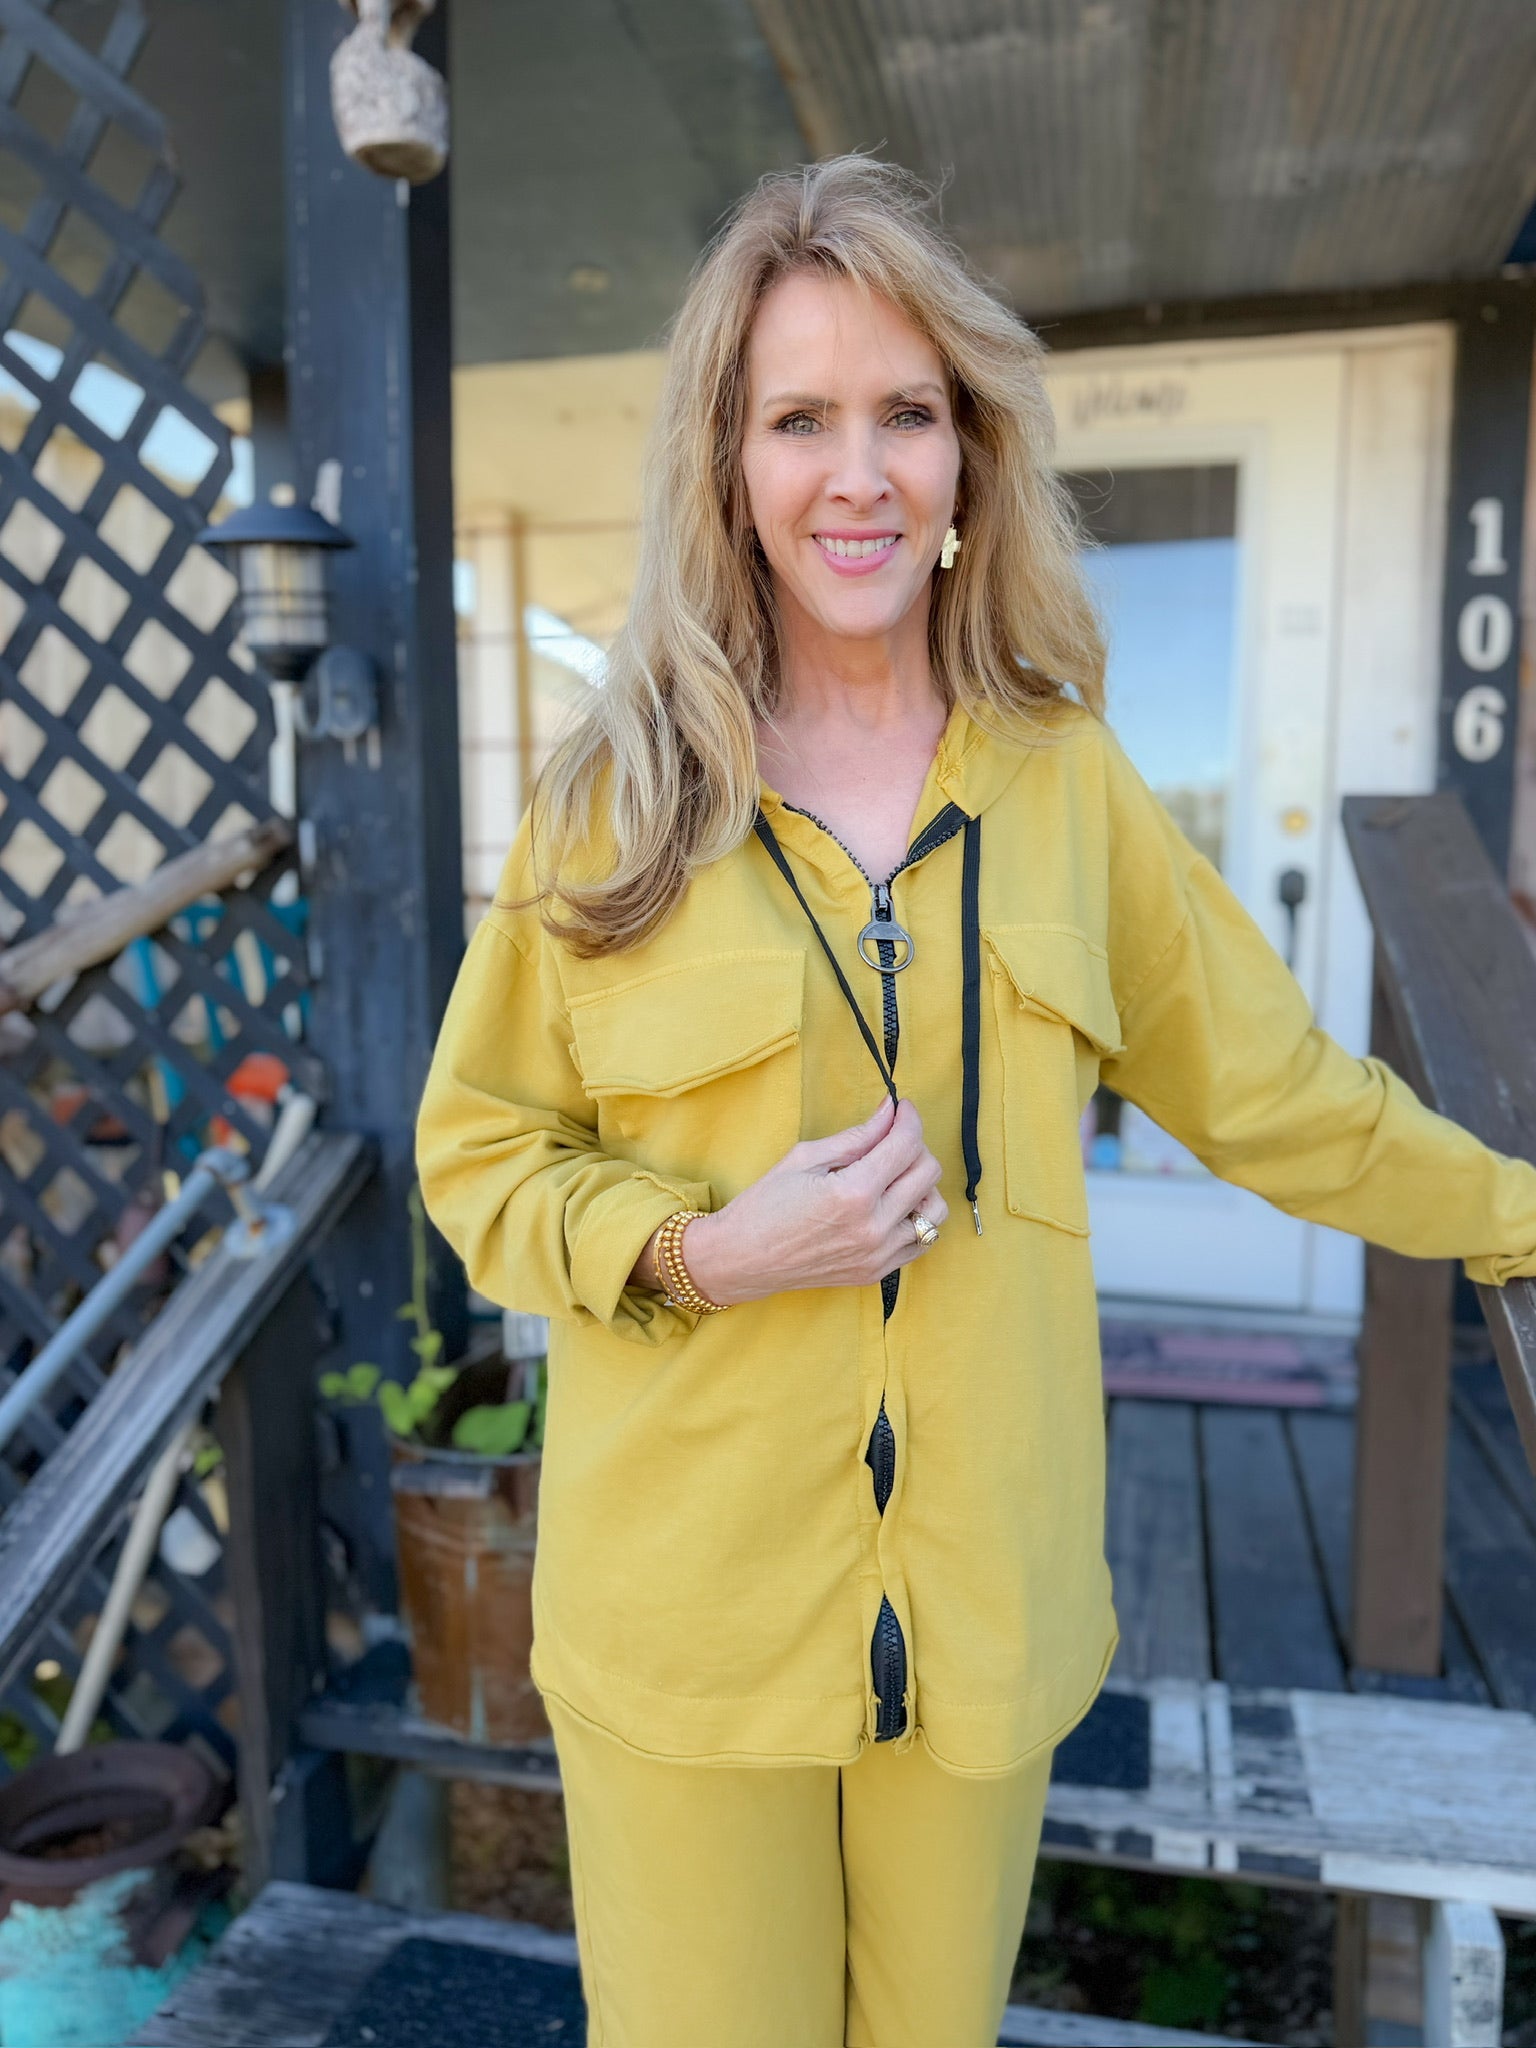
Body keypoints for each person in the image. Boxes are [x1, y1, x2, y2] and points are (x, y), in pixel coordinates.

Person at [415, 155, 1536, 2048]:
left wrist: (1517, 1210)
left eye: (906, 415)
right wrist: (704, 1248)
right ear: (727, 461)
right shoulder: (614, 799)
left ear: (969, 458)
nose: (859, 473)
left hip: (979, 1622)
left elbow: (1276, 1097)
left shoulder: (1064, 782)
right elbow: (480, 1150)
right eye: (801, 418)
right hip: (689, 1623)